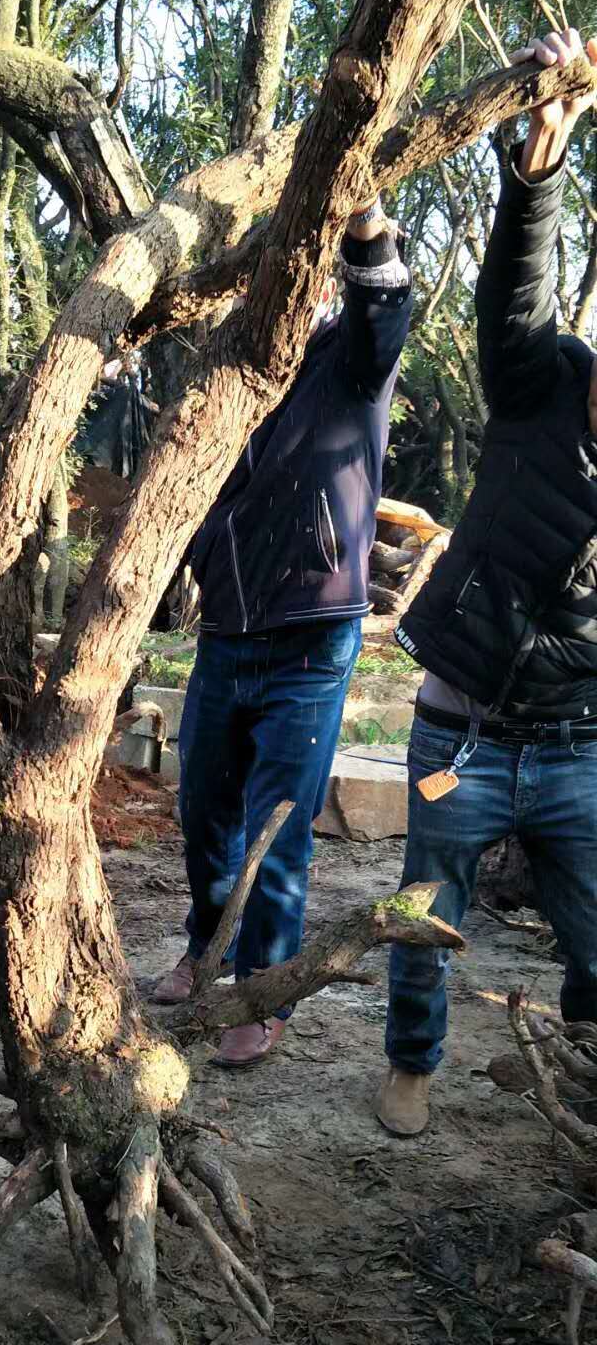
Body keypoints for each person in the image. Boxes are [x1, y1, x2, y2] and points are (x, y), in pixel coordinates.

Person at [379, 26, 597, 1138]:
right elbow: (516, 288)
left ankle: (580, 1089)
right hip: (459, 733)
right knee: (418, 910)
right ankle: (410, 1057)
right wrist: (540, 168)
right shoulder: (542, 383)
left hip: (581, 750)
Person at [153, 203, 412, 1064]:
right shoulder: (224, 376)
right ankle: (206, 947)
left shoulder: (350, 357)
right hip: (227, 627)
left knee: (280, 821)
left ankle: (264, 991)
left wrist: (367, 226)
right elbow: (188, 482)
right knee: (203, 808)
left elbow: (386, 302)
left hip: (312, 633)